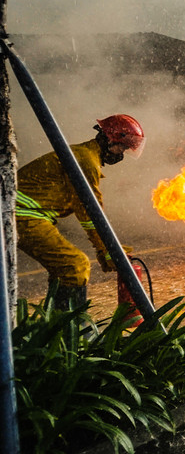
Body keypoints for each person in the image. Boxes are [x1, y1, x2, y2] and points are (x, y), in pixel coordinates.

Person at [17, 115, 145, 311]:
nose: (122, 154)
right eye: (122, 147)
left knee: (64, 268)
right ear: (109, 139)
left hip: (27, 213)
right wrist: (107, 249)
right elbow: (90, 213)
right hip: (22, 214)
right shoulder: (86, 161)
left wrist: (106, 248)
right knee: (74, 266)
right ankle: (67, 326)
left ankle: (55, 322)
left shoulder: (84, 155)